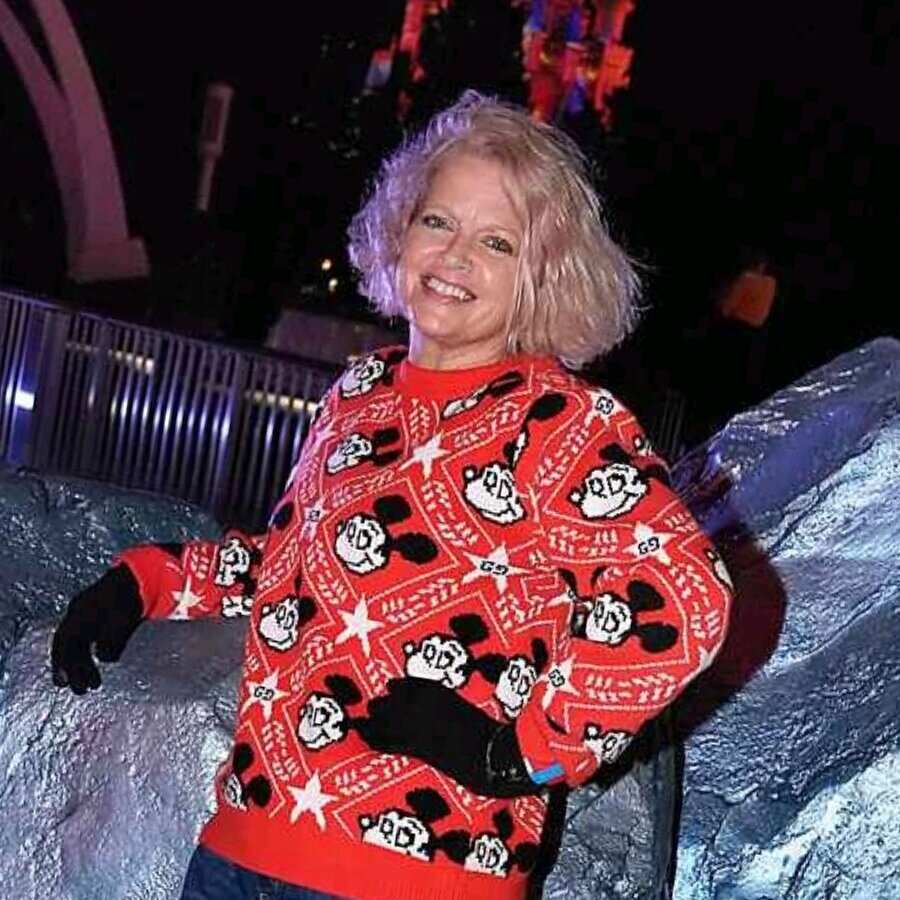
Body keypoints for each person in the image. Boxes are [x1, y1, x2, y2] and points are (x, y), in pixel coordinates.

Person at [51, 92, 733, 900]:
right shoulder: (360, 392)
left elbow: (688, 595)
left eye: (497, 242)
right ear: (399, 231)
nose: (454, 256)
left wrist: (520, 754)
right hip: (245, 848)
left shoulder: (562, 422)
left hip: (423, 878)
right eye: (437, 221)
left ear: (543, 277)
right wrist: (147, 580)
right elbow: (299, 571)